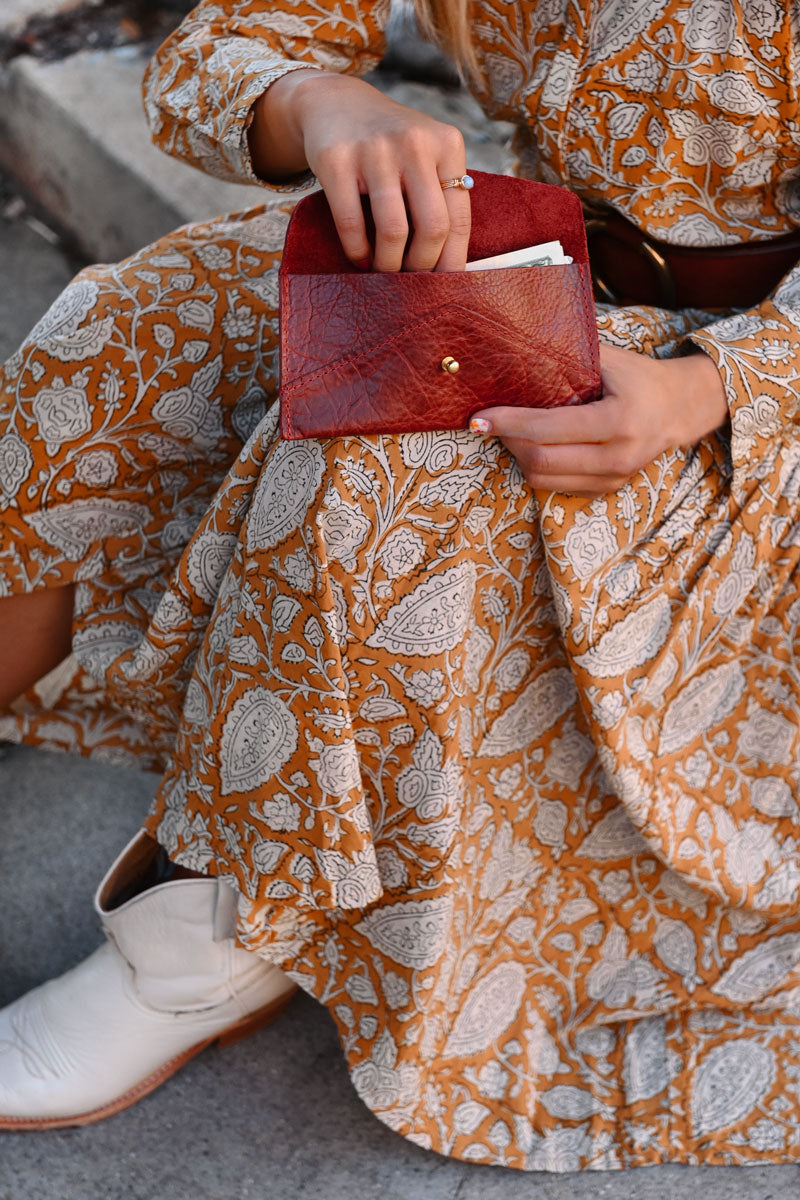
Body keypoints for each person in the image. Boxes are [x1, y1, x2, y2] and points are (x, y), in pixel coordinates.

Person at [1, 0, 799, 1171]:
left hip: (759, 400)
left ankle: (200, 941)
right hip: (542, 269)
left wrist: (707, 388)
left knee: (385, 463)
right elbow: (225, 42)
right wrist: (322, 101)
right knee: (121, 335)